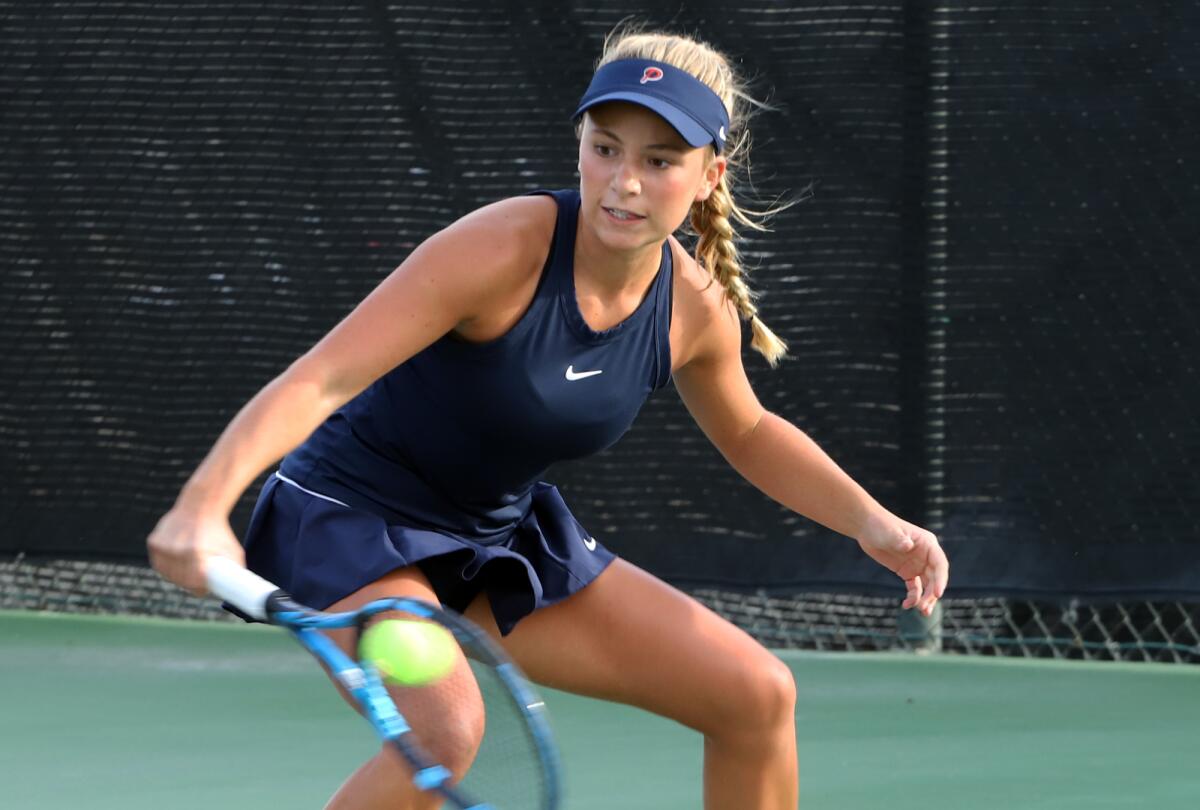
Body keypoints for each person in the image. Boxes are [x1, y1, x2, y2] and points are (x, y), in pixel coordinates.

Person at [148, 24, 948, 810]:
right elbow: (323, 378)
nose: (623, 183)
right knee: (447, 732)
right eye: (606, 148)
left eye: (659, 161)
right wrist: (202, 508)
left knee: (757, 694)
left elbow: (747, 431)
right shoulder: (502, 248)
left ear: (710, 174)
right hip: (353, 521)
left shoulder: (694, 309)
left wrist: (870, 522)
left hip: (498, 542)